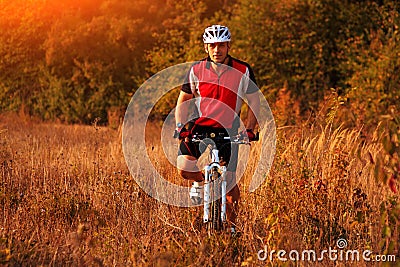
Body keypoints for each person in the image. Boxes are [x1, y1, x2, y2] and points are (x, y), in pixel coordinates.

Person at [174, 24, 260, 233]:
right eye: (212, 45)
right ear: (206, 47)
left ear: (228, 45)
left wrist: (249, 129)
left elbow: (255, 102)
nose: (217, 50)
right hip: (199, 126)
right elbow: (183, 99)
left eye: (221, 45)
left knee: (229, 182)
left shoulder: (243, 70)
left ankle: (232, 227)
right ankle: (202, 182)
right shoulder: (196, 70)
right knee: (184, 169)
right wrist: (181, 127)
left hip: (229, 129)